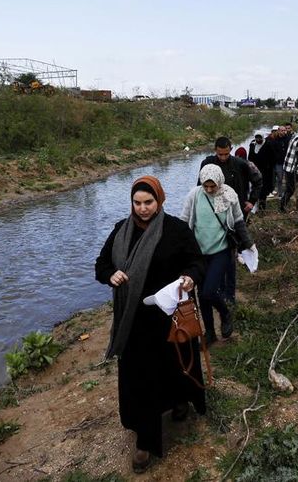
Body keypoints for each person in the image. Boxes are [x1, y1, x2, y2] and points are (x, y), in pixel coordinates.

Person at [94, 176, 207, 473]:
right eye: (137, 203)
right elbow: (101, 264)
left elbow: (196, 261)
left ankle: (181, 399)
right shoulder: (121, 231)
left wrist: (190, 276)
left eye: (148, 202)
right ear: (131, 203)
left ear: (160, 201)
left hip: (169, 316)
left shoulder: (176, 230)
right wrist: (111, 275)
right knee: (140, 378)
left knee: (174, 365)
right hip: (134, 323)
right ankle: (144, 441)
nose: (143, 209)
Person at [180, 164, 254, 343]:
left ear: (220, 181)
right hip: (199, 254)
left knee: (208, 292)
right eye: (206, 186)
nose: (209, 189)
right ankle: (210, 333)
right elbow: (183, 221)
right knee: (202, 296)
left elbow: (238, 221)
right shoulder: (194, 195)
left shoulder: (230, 195)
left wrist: (249, 243)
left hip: (221, 251)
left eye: (213, 186)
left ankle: (225, 313)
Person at [198, 137, 263, 219]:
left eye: (226, 154)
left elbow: (258, 181)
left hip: (237, 209)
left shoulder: (242, 164)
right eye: (220, 154)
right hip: (213, 209)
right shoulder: (207, 163)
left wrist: (252, 201)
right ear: (215, 150)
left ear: (231, 149)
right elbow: (199, 187)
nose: (223, 158)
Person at [249, 133, 274, 211]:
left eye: (260, 138)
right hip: (254, 172)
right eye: (257, 138)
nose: (258, 139)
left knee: (263, 190)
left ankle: (262, 208)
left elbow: (272, 158)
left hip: (265, 172)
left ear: (262, 137)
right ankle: (254, 207)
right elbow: (250, 157)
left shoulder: (268, 145)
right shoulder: (252, 145)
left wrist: (268, 167)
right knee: (255, 189)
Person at [272, 125, 291, 199]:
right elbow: (273, 151)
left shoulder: (288, 139)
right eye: (282, 130)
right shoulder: (275, 140)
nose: (284, 132)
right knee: (279, 178)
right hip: (278, 162)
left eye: (284, 130)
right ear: (279, 131)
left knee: (287, 178)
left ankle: (287, 193)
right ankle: (280, 193)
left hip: (287, 161)